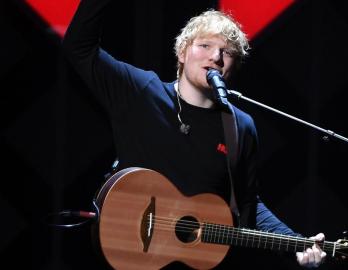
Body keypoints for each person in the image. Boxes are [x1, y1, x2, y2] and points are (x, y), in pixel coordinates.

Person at [62, 0, 326, 268]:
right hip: (125, 251)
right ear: (182, 52)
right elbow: (79, 48)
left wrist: (297, 243)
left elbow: (248, 205)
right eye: (205, 46)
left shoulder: (239, 127)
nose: (216, 57)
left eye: (228, 52)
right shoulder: (142, 91)